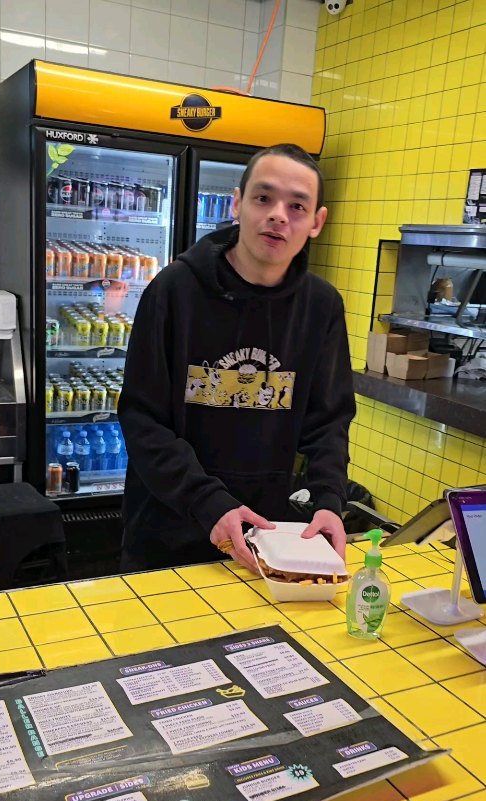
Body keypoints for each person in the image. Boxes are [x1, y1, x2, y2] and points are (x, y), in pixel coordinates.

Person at [118, 143, 356, 574]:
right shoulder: (173, 290)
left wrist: (329, 500)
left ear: (317, 222)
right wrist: (207, 502)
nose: (279, 215)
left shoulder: (321, 306)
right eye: (263, 198)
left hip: (265, 535)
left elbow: (328, 420)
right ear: (237, 205)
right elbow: (141, 418)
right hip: (167, 528)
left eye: (297, 205)